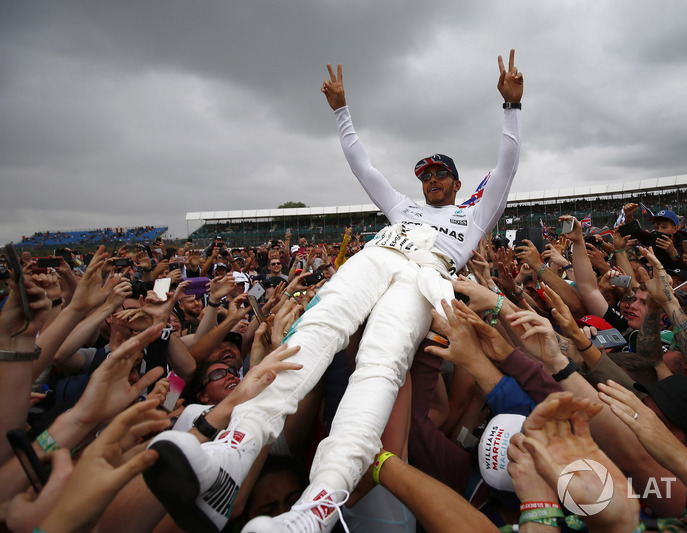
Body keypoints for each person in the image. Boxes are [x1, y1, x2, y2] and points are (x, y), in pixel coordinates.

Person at [144, 49, 524, 533]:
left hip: (426, 272)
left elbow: (507, 167)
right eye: (424, 175)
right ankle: (233, 452)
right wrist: (342, 113)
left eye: (440, 174)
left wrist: (511, 108)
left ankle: (318, 505)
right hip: (377, 256)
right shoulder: (401, 209)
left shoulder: (472, 215)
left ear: (456, 181)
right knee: (316, 331)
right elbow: (363, 168)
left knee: (380, 369)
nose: (430, 180)